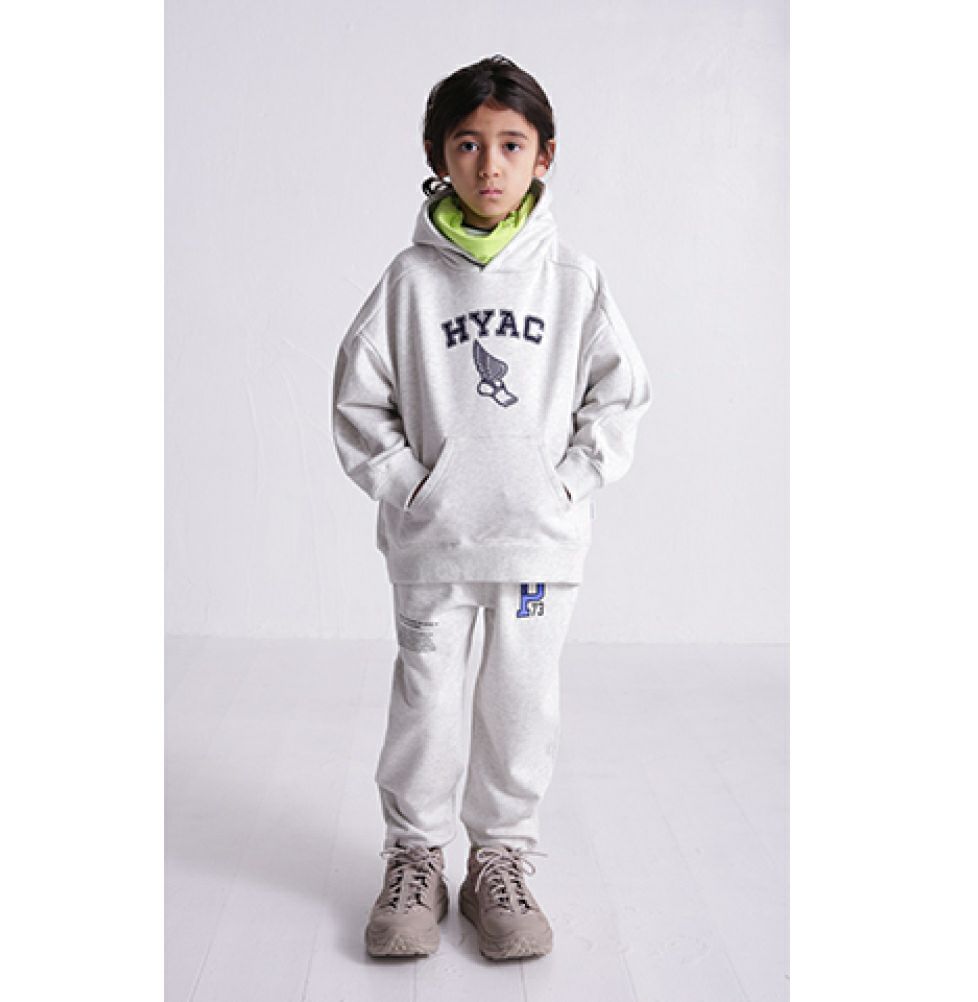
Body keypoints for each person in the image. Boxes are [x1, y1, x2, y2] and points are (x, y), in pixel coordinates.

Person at [331, 54, 652, 961]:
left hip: (539, 544)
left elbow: (621, 395)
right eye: (468, 144)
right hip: (435, 544)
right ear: (438, 154)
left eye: (511, 144)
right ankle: (415, 860)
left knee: (520, 708)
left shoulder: (574, 281)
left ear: (545, 156)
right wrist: (414, 490)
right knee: (426, 704)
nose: (489, 164)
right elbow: (358, 401)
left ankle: (499, 863)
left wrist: (568, 483)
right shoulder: (409, 282)